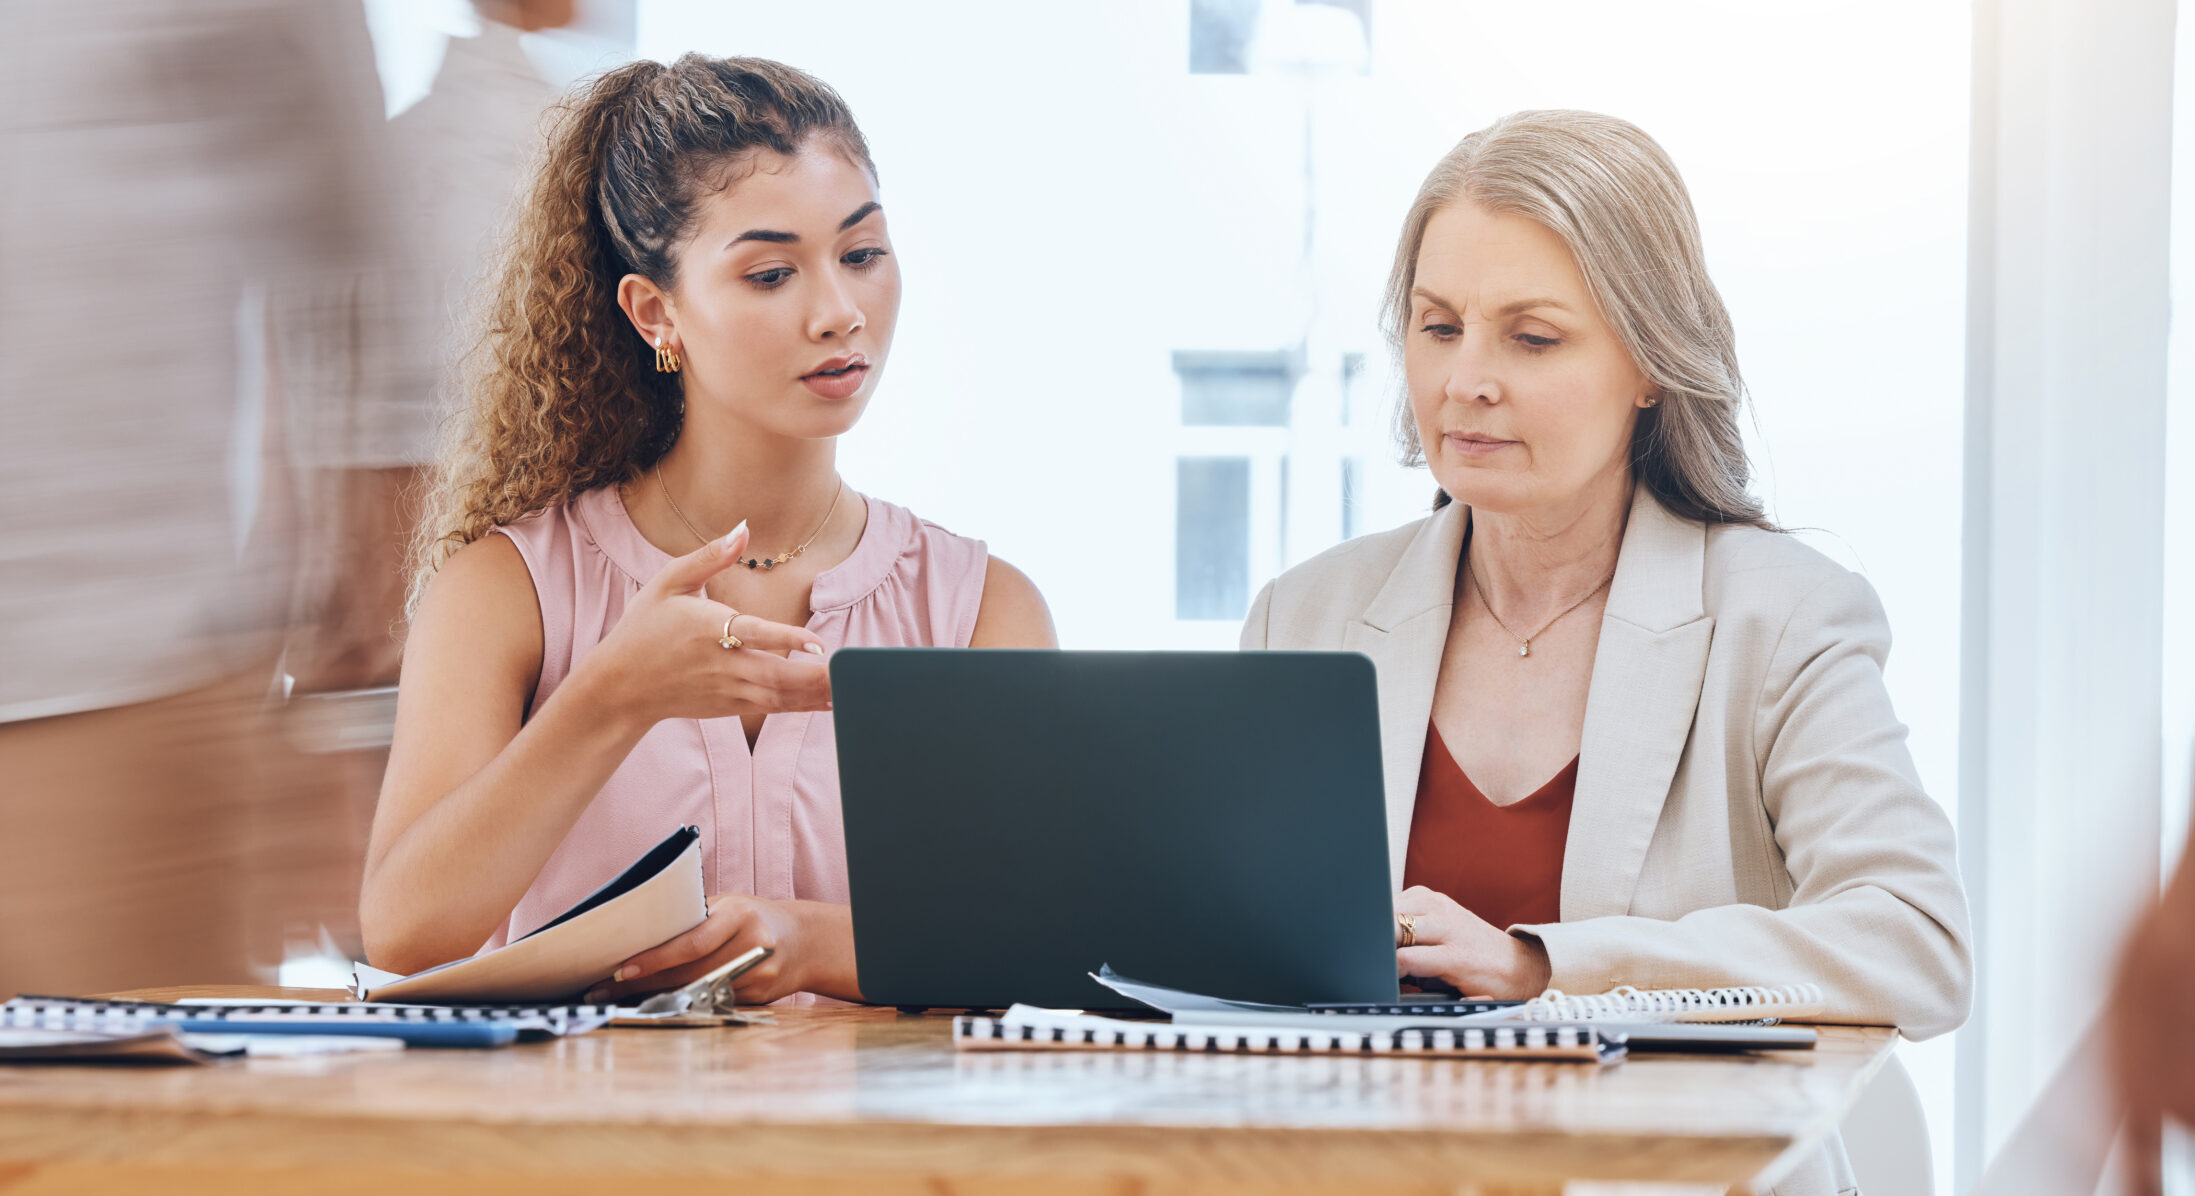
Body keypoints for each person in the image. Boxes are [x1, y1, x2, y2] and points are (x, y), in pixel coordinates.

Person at [1240, 110, 1971, 1196]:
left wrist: (1547, 968)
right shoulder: (1306, 613)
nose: (1464, 380)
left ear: (1649, 363)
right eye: (1437, 326)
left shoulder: (1779, 617)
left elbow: (1914, 942)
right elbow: (1232, 953)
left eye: (1529, 338)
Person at [362, 55, 1056, 1006]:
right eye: (772, 274)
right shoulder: (506, 587)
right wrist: (611, 697)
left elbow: (1044, 937)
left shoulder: (980, 608)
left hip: (888, 1148)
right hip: (584, 1143)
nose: (839, 313)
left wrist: (810, 944)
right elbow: (406, 934)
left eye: (860, 255)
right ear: (658, 314)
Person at [0, 0, 412, 997]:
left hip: (107, 668)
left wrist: (361, 536)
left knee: (128, 1136)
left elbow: (348, 227)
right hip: (110, 647)